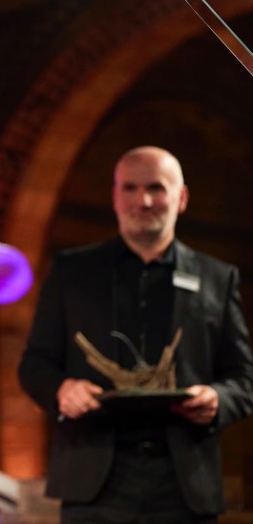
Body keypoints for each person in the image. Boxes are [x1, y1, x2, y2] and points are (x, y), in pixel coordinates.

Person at [18, 146, 253, 523]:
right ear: (114, 196)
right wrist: (62, 390)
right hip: (94, 484)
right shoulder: (71, 272)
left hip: (184, 486)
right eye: (130, 188)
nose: (142, 201)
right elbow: (34, 364)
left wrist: (217, 399)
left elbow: (243, 379)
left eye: (156, 188)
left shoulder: (217, 279)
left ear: (182, 198)